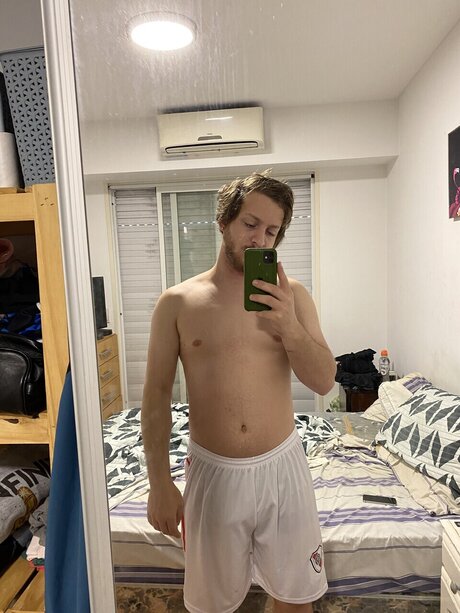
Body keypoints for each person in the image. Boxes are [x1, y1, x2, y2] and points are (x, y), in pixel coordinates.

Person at [141, 171, 336, 613]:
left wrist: (288, 326)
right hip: (212, 473)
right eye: (250, 224)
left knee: (295, 600)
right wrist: (159, 483)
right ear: (223, 222)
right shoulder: (177, 303)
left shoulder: (293, 296)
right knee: (211, 605)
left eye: (272, 231)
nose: (260, 240)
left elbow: (324, 380)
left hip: (282, 467)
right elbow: (155, 399)